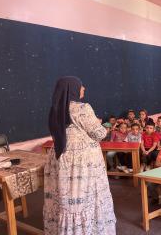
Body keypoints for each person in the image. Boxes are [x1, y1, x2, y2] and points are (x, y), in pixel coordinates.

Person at [44, 76, 116, 234]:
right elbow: (99, 134)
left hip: (60, 156)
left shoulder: (55, 108)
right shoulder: (82, 108)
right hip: (82, 161)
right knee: (85, 195)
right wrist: (100, 124)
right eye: (81, 86)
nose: (84, 89)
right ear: (73, 89)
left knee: (65, 197)